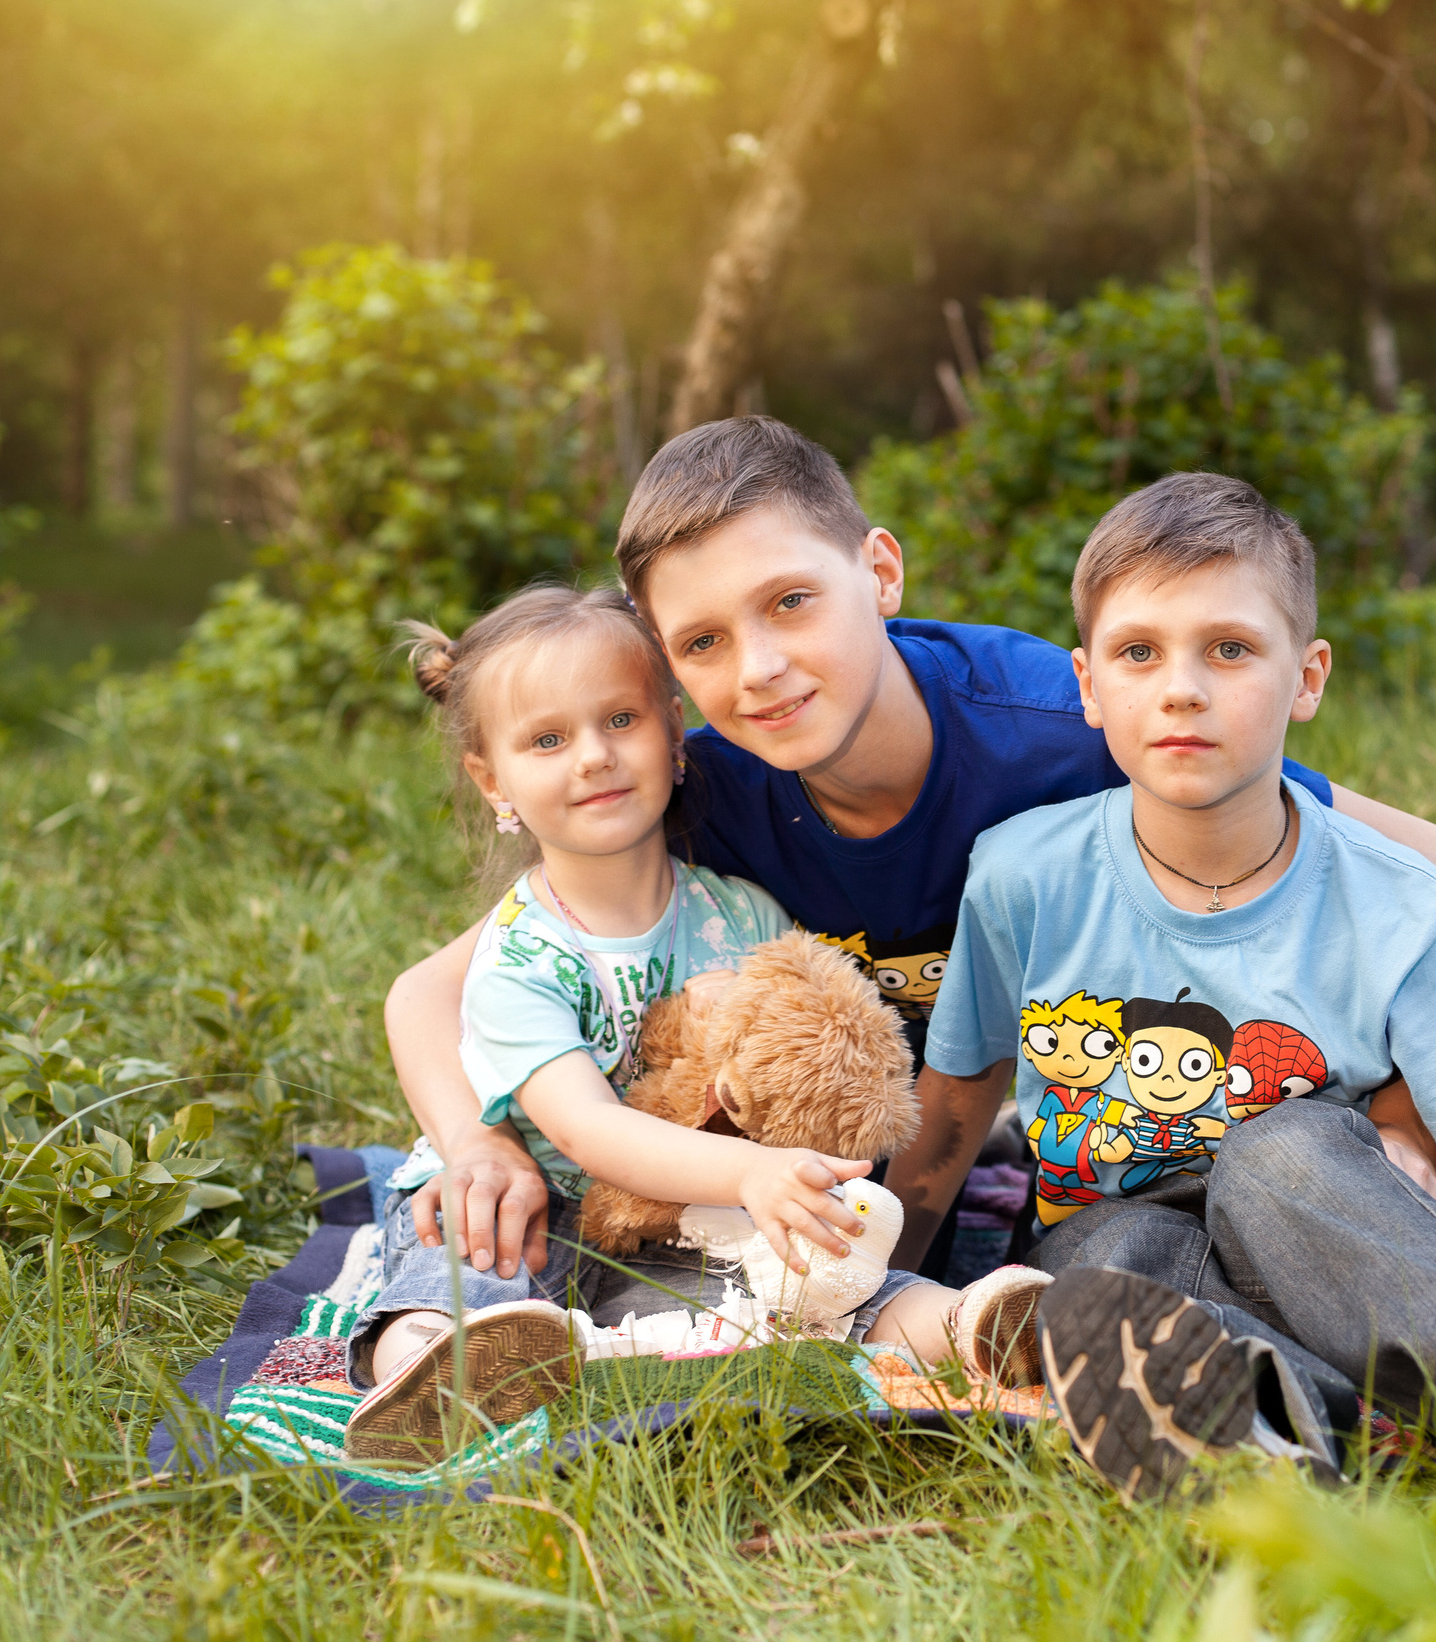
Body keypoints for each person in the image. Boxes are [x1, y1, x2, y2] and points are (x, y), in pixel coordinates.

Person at [383, 415, 1436, 1292]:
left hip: (1173, 1106)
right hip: (868, 1156)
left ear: (881, 572)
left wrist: (1401, 1127)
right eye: (704, 641)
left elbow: (1435, 866)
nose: (758, 667)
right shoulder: (698, 785)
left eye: (791, 602)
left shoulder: (1064, 731)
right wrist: (477, 1146)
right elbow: (432, 993)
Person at [923, 473, 1436, 1503]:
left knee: (1274, 1154)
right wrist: (882, 1286)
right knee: (1103, 1268)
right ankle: (1259, 1436)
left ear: (1307, 676)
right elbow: (954, 1105)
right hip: (1122, 1228)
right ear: (1088, 684)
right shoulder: (1021, 875)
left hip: (1351, 1232)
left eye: (1229, 649)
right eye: (1138, 652)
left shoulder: (1404, 903)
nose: (1181, 688)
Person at [343, 583, 1046, 1463]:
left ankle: (974, 1322)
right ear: (494, 780)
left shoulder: (743, 911)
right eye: (548, 740)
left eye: (620, 720)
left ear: (675, 733)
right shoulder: (519, 955)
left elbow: (792, 1059)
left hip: (680, 1210)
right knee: (471, 1261)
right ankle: (427, 1368)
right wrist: (751, 1171)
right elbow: (585, 1128)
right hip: (532, 1191)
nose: (593, 756)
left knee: (799, 1280)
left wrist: (795, 1149)